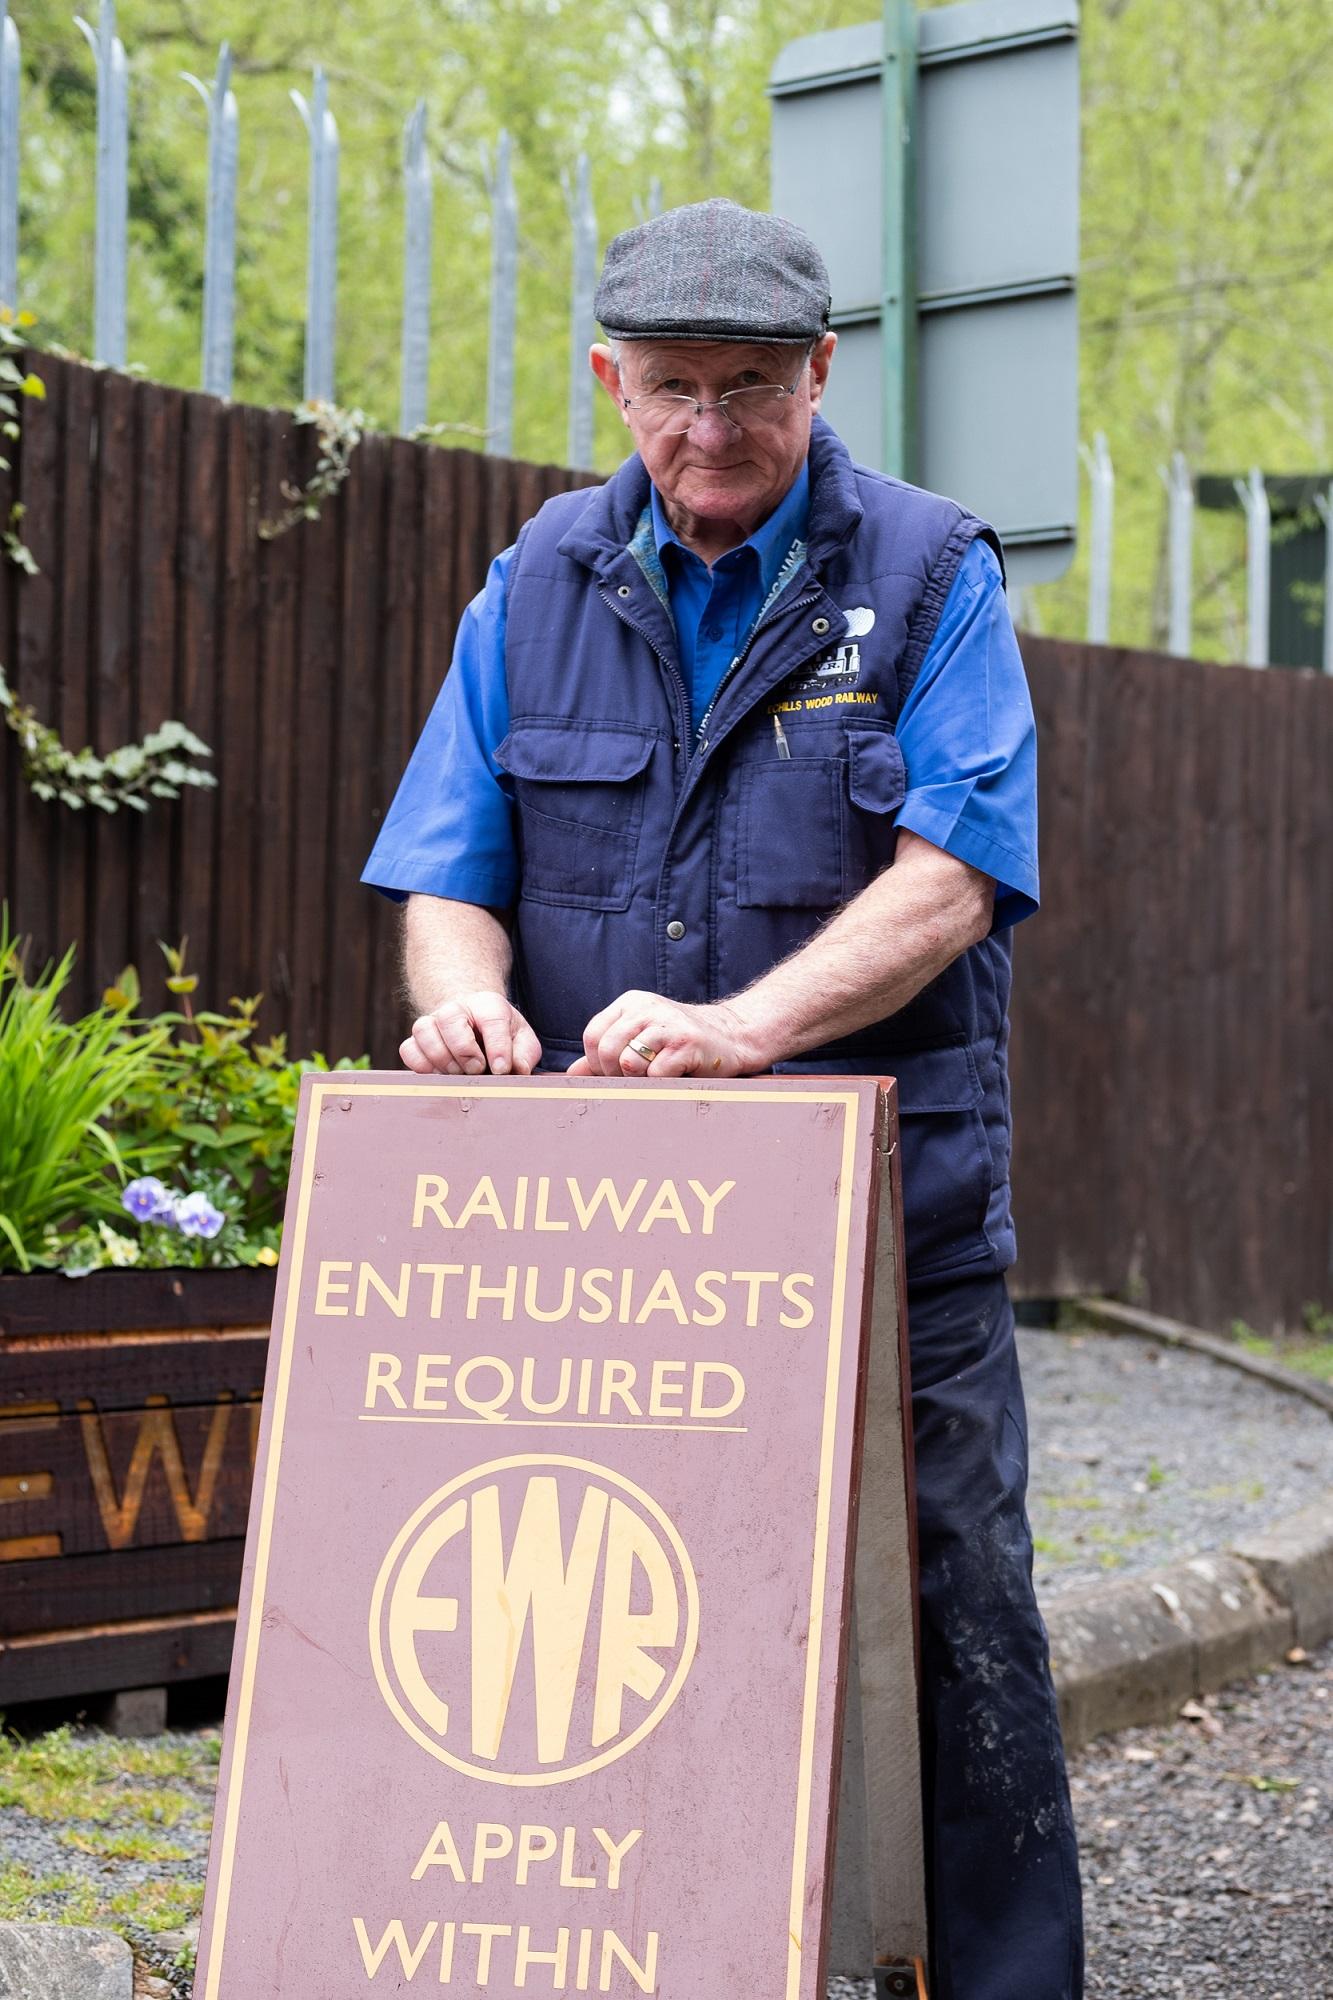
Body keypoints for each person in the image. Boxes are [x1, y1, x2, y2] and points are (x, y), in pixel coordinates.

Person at [362, 197, 1083, 1999]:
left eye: (749, 389)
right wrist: (458, 1010)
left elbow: (958, 870)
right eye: (670, 388)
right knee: (590, 1615)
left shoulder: (928, 574)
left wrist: (749, 1027)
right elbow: (451, 862)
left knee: (951, 1621)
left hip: (880, 1234)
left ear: (821, 374)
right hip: (587, 1253)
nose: (708, 430)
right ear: (609, 382)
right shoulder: (532, 581)